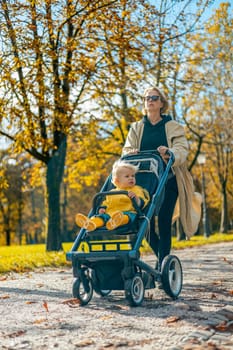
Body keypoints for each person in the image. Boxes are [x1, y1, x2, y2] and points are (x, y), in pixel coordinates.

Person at [122, 86, 202, 266]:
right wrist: (131, 152)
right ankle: (164, 263)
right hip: (145, 183)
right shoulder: (136, 127)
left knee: (164, 222)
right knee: (145, 222)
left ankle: (162, 265)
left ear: (161, 103)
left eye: (154, 98)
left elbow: (182, 148)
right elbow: (126, 149)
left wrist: (170, 152)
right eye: (147, 98)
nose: (149, 100)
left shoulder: (173, 126)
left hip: (168, 180)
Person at [75, 160, 150, 231]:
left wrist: (136, 198)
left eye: (133, 176)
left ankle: (118, 221)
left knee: (128, 216)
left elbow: (142, 203)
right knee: (101, 217)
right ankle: (92, 223)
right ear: (117, 180)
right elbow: (106, 203)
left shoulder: (136, 189)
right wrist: (102, 209)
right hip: (111, 214)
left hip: (128, 213)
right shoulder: (112, 192)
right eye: (127, 176)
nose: (131, 178)